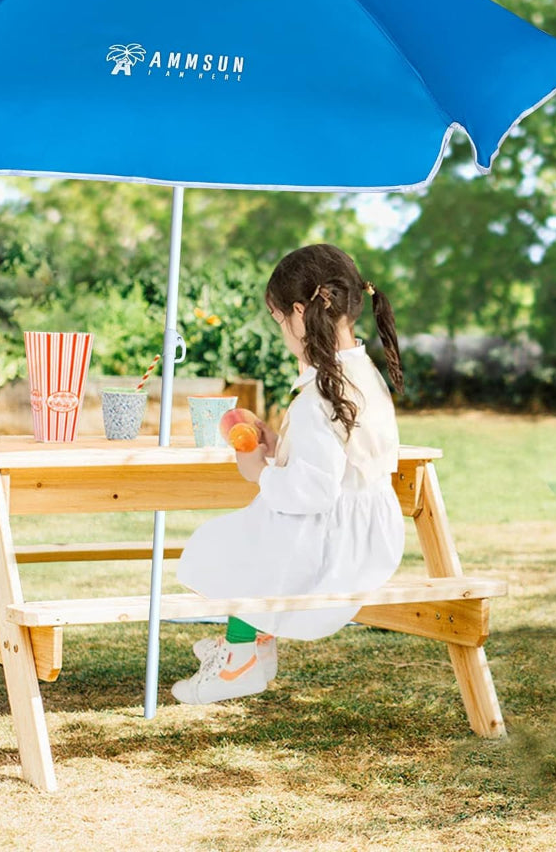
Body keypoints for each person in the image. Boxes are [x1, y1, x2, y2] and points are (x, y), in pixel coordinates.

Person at [171, 243, 407, 705]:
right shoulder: (360, 374)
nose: (282, 330)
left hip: (337, 548)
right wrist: (281, 448)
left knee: (229, 544)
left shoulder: (321, 392)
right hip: (369, 534)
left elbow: (314, 491)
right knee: (252, 538)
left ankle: (240, 659)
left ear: (299, 312)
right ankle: (252, 645)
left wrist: (259, 469)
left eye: (279, 320)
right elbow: (338, 465)